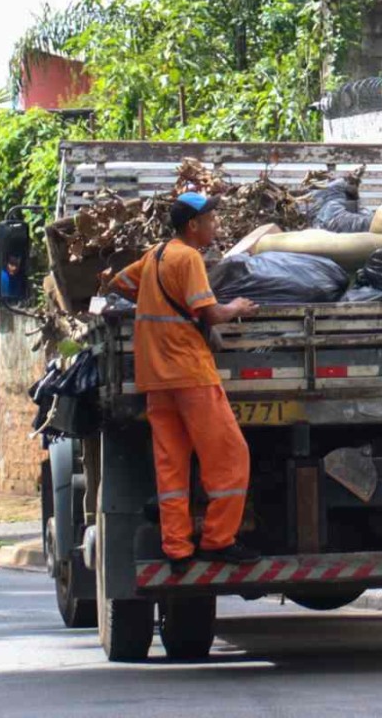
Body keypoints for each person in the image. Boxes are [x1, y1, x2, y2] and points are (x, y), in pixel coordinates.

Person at [109, 192, 260, 574]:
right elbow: (210, 315)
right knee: (230, 457)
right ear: (193, 225)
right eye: (211, 219)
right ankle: (218, 540)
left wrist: (154, 299)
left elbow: (119, 282)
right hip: (189, 373)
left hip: (156, 378)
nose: (216, 225)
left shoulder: (156, 255)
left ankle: (177, 548)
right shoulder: (188, 257)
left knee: (172, 466)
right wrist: (238, 308)